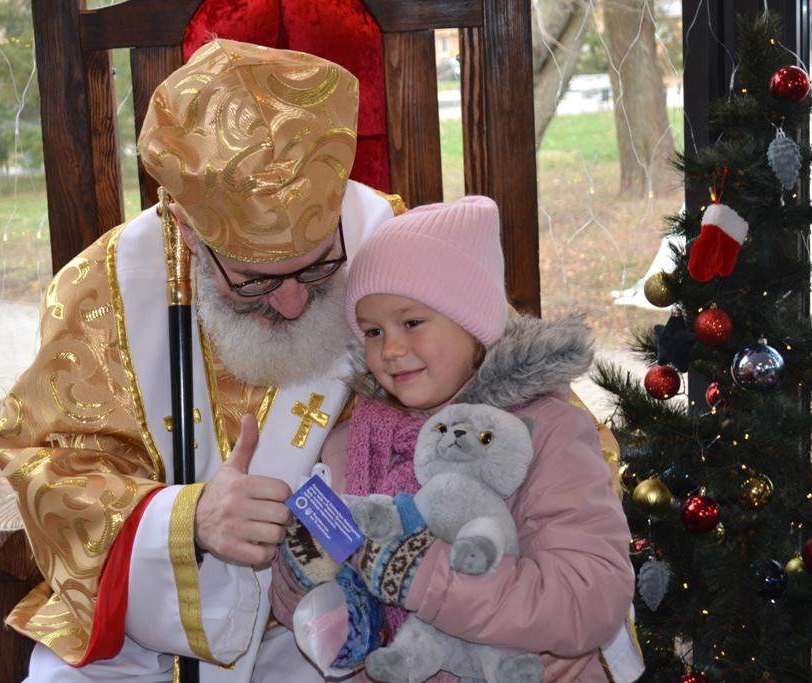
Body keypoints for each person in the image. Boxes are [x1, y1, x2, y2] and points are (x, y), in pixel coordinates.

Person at [0, 39, 406, 681]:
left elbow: (522, 409)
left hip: (351, 604)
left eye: (321, 268)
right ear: (185, 228)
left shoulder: (397, 246)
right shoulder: (102, 292)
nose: (294, 305)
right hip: (148, 631)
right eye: (255, 280)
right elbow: (49, 464)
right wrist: (184, 521)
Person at [271, 196, 640, 682]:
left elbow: (589, 595)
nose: (391, 350)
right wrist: (301, 571)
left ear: (473, 322)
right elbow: (307, 615)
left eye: (412, 322)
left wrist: (424, 576)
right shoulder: (351, 445)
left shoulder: (542, 432)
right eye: (373, 330)